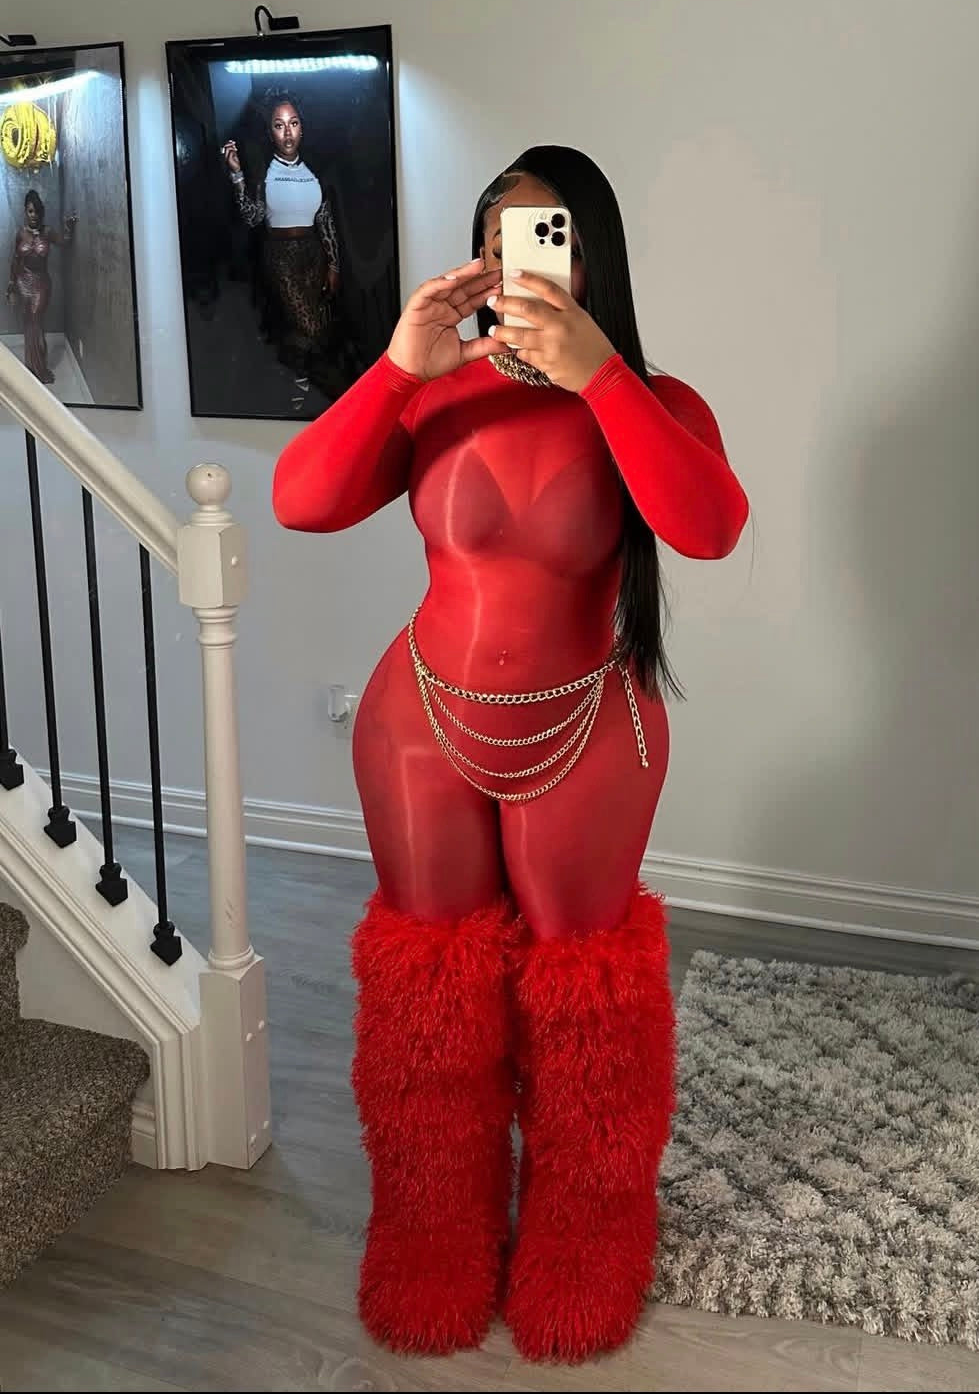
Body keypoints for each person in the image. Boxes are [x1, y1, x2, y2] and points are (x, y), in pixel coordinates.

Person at [272, 145, 750, 1364]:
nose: (517, 262)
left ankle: (585, 1248)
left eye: (547, 238)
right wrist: (397, 364)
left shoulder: (654, 400)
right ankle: (428, 1245)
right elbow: (300, 501)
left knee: (588, 1008)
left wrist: (600, 378)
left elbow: (706, 527)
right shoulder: (438, 387)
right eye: (497, 240)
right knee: (427, 1002)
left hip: (585, 724)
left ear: (593, 258)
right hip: (419, 722)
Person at [221, 90, 359, 405]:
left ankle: (300, 386)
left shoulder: (315, 173)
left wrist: (334, 265)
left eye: (293, 123)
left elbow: (326, 222)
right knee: (311, 327)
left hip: (313, 254)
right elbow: (252, 217)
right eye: (279, 125)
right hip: (280, 258)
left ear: (302, 128)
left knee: (307, 328)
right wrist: (237, 174)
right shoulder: (264, 174)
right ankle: (336, 393)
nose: (287, 133)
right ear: (270, 132)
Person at [6, 189, 77, 385]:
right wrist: (11, 285)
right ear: (25, 211)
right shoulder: (20, 234)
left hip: (41, 283)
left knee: (36, 322)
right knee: (28, 324)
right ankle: (30, 367)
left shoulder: (47, 232)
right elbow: (15, 260)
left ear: (41, 212)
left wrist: (69, 227)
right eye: (30, 211)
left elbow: (65, 242)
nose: (33, 215)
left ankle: (40, 368)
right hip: (23, 282)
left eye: (36, 211)